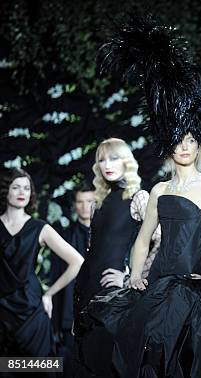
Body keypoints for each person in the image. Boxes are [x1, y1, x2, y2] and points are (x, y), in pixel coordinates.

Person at [83, 15, 201, 377]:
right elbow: (143, 240)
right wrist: (134, 277)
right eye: (179, 140)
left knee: (181, 360)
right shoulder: (159, 190)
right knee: (143, 356)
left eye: (191, 140)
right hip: (154, 288)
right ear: (168, 144)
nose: (185, 146)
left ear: (198, 143)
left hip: (192, 291)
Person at [72, 138, 156, 376]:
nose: (106, 164)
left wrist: (132, 277)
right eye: (101, 159)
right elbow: (92, 250)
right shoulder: (96, 201)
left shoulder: (138, 197)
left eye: (113, 158)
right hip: (85, 289)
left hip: (114, 294)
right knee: (86, 363)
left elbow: (161, 240)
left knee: (111, 363)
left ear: (126, 161)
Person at [0, 168, 83, 359]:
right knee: (7, 368)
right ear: (6, 190)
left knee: (41, 368)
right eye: (16, 187)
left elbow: (77, 261)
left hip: (32, 311)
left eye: (27, 188)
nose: (22, 192)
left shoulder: (40, 227)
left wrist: (49, 295)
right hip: (2, 313)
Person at [49, 181, 95, 376]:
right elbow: (57, 276)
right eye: (80, 202)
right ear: (75, 204)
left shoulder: (107, 234)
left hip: (100, 310)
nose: (85, 207)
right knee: (69, 365)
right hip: (70, 312)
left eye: (90, 201)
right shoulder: (64, 236)